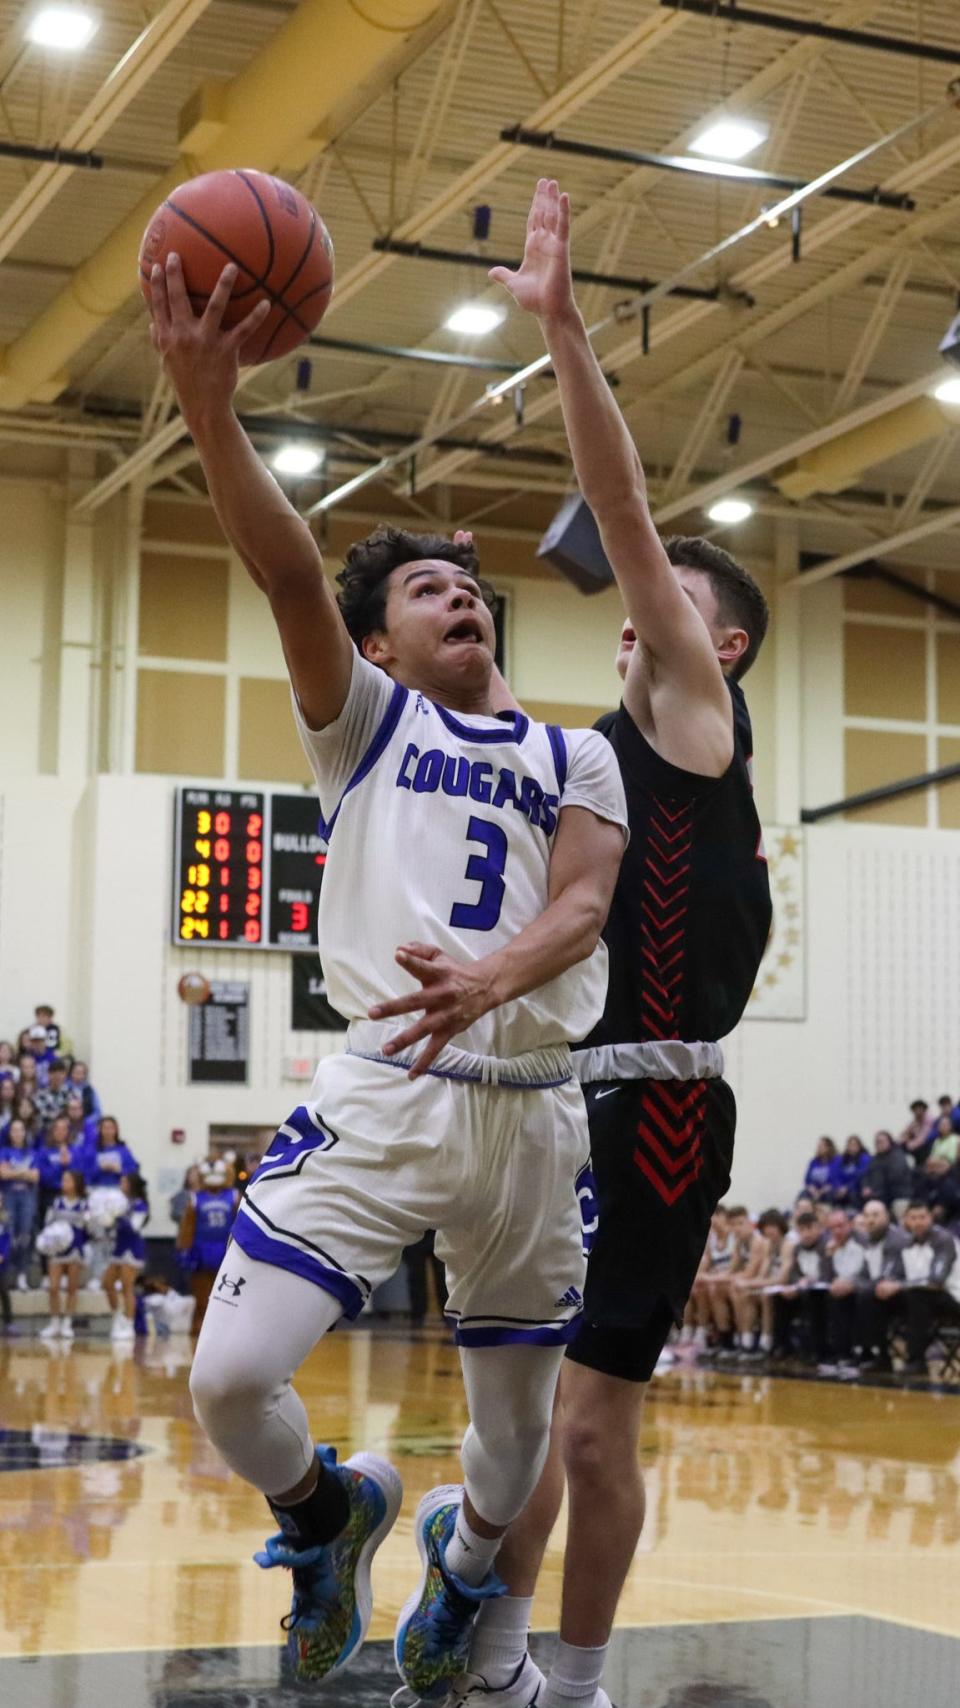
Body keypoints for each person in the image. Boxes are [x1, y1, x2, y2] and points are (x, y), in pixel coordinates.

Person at [149, 237, 627, 1701]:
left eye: (468, 588)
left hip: (533, 1102)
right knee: (229, 1382)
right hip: (388, 1084)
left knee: (510, 1439)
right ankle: (326, 1511)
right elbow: (285, 566)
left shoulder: (576, 751)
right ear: (377, 643)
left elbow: (587, 901)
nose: (459, 599)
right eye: (426, 591)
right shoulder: (362, 725)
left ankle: (471, 1560)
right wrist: (211, 409)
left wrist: (497, 980)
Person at [457, 177, 772, 1708]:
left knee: (592, 1430)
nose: (640, 604)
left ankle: (576, 1685)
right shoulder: (585, 755)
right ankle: (500, 1659)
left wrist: (567, 329)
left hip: (657, 1111)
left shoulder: (696, 718)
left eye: (673, 600)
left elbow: (629, 517)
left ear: (720, 644)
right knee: (519, 1428)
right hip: (545, 1093)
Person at [876, 1201, 960, 1376]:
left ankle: (917, 1360)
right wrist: (885, 1284)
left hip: (952, 1295)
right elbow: (896, 1276)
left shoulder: (943, 1240)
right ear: (906, 1220)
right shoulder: (905, 1243)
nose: (918, 1222)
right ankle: (878, 1355)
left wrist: (898, 1285)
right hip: (921, 1298)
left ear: (931, 1218)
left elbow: (936, 1281)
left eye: (922, 1217)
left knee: (918, 1295)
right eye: (913, 1218)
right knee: (877, 1296)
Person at [175, 1165, 240, 1333]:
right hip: (201, 1250)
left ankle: (226, 1330)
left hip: (226, 1249)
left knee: (227, 1294)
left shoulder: (233, 1196)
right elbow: (187, 1226)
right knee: (201, 1294)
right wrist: (183, 1247)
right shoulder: (196, 1198)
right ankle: (199, 1328)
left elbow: (241, 1224)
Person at [855, 1199, 909, 1374]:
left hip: (904, 1291)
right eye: (867, 1215)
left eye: (875, 1215)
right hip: (880, 1292)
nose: (870, 1220)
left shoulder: (896, 1239)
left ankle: (879, 1354)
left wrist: (862, 1285)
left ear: (886, 1216)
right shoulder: (868, 1240)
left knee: (867, 1295)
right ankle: (851, 1351)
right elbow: (863, 1274)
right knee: (848, 1294)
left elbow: (888, 1276)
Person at [38, 1167, 89, 1342]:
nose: (64, 1183)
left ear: (76, 1183)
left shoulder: (84, 1204)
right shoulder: (56, 1202)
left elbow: (87, 1228)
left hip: (75, 1249)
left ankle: (67, 1322)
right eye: (63, 1180)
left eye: (68, 1180)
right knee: (53, 1287)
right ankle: (54, 1322)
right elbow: (48, 1224)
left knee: (72, 1287)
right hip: (57, 1249)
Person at [102, 1173, 150, 1342]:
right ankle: (118, 1317)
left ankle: (129, 1324)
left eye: (123, 1181)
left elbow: (135, 1227)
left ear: (131, 1184)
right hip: (119, 1247)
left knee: (126, 1286)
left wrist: (119, 1216)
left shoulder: (140, 1205)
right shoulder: (120, 1201)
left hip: (133, 1248)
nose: (120, 1184)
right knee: (107, 1282)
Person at [821, 1209, 867, 1371]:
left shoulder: (863, 1242)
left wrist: (852, 1283)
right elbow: (825, 1277)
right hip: (840, 1290)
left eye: (840, 1226)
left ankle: (858, 1351)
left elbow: (869, 1272)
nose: (837, 1231)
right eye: (832, 1228)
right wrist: (828, 1255)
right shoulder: (831, 1244)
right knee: (825, 1298)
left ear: (850, 1225)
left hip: (862, 1289)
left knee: (855, 1299)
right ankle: (837, 1351)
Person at [0, 1115, 40, 1290]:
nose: (17, 1133)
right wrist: (24, 1172)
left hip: (27, 1196)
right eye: (14, 1130)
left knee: (25, 1234)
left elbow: (35, 1176)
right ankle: (9, 1272)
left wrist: (14, 1171)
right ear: (10, 1133)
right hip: (9, 1195)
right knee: (10, 1234)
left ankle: (22, 1274)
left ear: (25, 1133)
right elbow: (3, 1175)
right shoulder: (4, 1151)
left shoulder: (32, 1152)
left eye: (20, 1130)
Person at [860, 1130, 913, 1217]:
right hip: (878, 1196)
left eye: (881, 1141)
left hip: (897, 1195)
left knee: (900, 1206)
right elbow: (865, 1175)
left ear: (889, 1142)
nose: (878, 1144)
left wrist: (875, 1191)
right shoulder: (875, 1159)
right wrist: (866, 1187)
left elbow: (894, 1178)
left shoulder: (897, 1156)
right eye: (876, 1142)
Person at [80, 1116, 139, 1189]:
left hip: (118, 1190)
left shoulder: (123, 1151)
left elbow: (133, 1172)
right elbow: (85, 1173)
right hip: (96, 1189)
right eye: (105, 1128)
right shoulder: (92, 1150)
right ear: (100, 1130)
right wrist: (99, 1168)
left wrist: (120, 1170)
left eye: (111, 1128)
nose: (108, 1131)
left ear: (116, 1130)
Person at [833, 1136, 870, 1207]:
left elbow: (860, 1176)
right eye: (850, 1145)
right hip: (842, 1189)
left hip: (856, 1188)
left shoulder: (864, 1158)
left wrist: (847, 1188)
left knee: (853, 1193)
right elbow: (836, 1176)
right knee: (833, 1193)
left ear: (859, 1146)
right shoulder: (841, 1159)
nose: (852, 1147)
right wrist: (839, 1187)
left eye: (854, 1145)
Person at [803, 1137, 841, 1203]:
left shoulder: (837, 1160)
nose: (819, 1148)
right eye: (818, 1146)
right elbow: (807, 1179)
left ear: (829, 1147)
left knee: (829, 1195)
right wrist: (812, 1189)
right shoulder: (814, 1162)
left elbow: (836, 1179)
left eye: (821, 1146)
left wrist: (821, 1191)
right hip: (814, 1190)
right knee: (803, 1195)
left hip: (829, 1190)